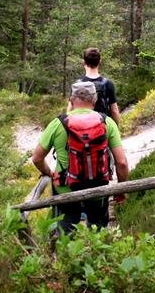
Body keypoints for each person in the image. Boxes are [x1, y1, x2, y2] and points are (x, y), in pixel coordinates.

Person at [32, 81, 129, 233]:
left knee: (65, 233)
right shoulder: (107, 122)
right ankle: (97, 254)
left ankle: (66, 254)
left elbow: (37, 158)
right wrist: (121, 189)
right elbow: (121, 162)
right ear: (95, 100)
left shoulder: (58, 123)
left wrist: (49, 173)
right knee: (98, 232)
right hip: (98, 186)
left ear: (71, 100)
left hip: (65, 188)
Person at [80, 48, 122, 126]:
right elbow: (114, 111)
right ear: (99, 62)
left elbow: (70, 111)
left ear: (84, 62)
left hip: (84, 129)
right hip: (103, 128)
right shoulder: (108, 83)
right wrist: (116, 128)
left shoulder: (78, 84)